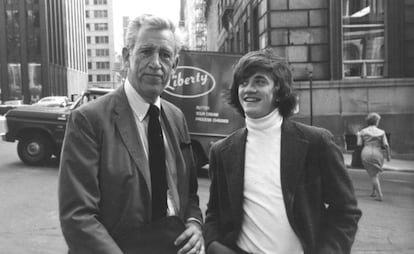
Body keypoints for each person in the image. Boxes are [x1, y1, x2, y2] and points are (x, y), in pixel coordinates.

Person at [58, 14, 204, 254]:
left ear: (175, 65)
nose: (156, 63)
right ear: (127, 57)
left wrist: (194, 224)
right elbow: (78, 217)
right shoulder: (89, 120)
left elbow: (189, 194)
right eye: (146, 52)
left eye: (165, 55)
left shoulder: (176, 117)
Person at [203, 48, 362, 254]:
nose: (248, 89)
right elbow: (214, 213)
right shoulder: (222, 151)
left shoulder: (316, 142)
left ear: (278, 90)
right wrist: (214, 246)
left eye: (259, 81)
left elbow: (346, 211)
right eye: (243, 82)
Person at [357, 113, 391, 201]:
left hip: (367, 151)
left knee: (373, 174)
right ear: (376, 121)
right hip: (378, 152)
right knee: (375, 173)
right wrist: (388, 155)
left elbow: (359, 144)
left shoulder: (363, 131)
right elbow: (386, 145)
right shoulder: (382, 132)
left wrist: (358, 136)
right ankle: (374, 192)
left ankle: (379, 195)